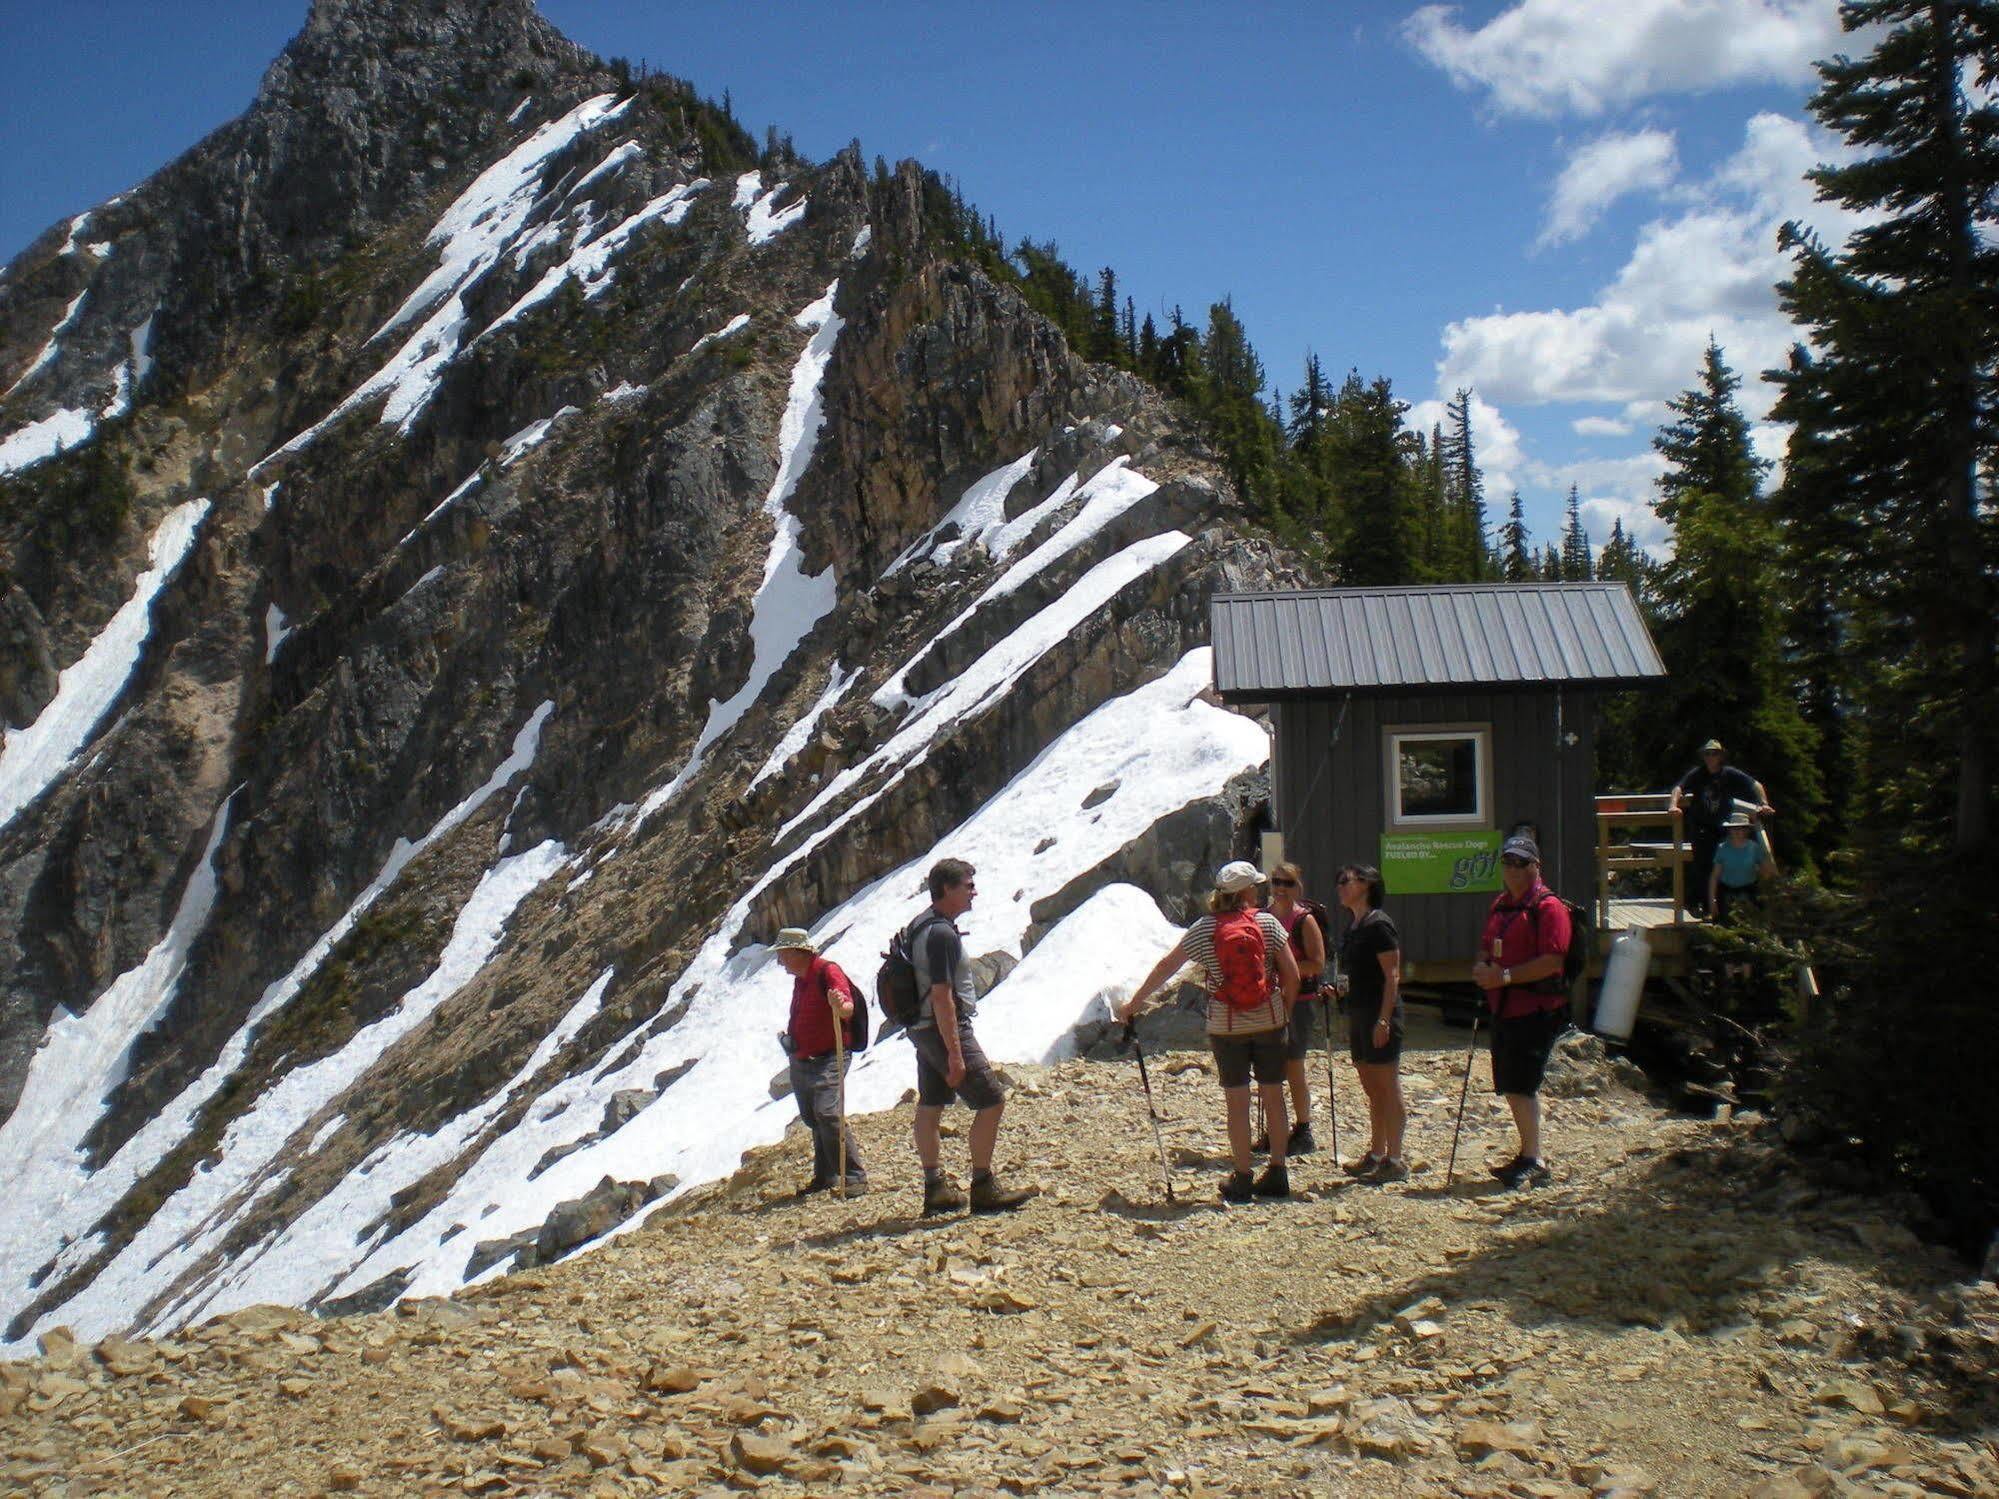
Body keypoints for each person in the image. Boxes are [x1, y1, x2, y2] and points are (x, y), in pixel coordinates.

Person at [1116, 861, 1302, 1203]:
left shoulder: (1205, 928)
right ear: (1247, 891)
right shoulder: (1267, 922)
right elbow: (1292, 975)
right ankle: (1278, 1172)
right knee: (1274, 1097)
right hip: (1270, 1021)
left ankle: (1243, 1177)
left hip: (1227, 1026)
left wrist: (1134, 1004)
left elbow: (1166, 966)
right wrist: (1283, 1013)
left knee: (1237, 1101)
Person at [903, 858, 1036, 1216]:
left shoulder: (920, 924)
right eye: (967, 886)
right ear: (947, 889)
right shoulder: (943, 933)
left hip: (920, 1028)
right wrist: (955, 1053)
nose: (973, 892)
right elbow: (943, 994)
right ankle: (983, 1186)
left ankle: (935, 1189)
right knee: (991, 1101)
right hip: (945, 1029)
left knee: (931, 1104)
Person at [1471, 835, 1572, 1189]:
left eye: (1521, 863)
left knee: (1524, 1084)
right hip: (1504, 1006)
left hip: (1535, 1007)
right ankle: (1526, 1153)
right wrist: (1483, 967)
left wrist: (1504, 976)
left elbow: (1552, 961)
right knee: (1511, 1083)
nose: (1513, 870)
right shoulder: (1501, 905)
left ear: (1535, 867)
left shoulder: (1548, 908)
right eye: (1508, 863)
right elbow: (1487, 946)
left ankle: (1535, 1158)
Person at [773, 928, 867, 1196]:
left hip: (829, 1056)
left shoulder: (827, 971)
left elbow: (846, 1006)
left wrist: (841, 1006)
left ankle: (854, 1176)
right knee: (814, 1116)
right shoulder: (802, 979)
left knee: (827, 1113)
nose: (780, 962)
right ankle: (826, 1175)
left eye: (782, 955)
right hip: (803, 1058)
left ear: (795, 951)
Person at [1331, 864, 1406, 1183]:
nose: (1342, 886)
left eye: (1347, 880)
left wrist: (1384, 1019)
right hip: (1359, 1012)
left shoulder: (1379, 925)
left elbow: (1393, 975)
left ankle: (1396, 1158)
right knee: (1372, 1088)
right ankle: (1377, 1153)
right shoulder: (1354, 926)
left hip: (1378, 1014)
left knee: (1387, 1086)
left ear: (1367, 885)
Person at [1263, 862, 1327, 1156]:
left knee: (1293, 1066)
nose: (1280, 888)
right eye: (1277, 881)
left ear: (1297, 886)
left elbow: (1317, 963)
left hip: (1299, 1003)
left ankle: (1303, 1129)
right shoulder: (1264, 917)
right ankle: (1276, 1130)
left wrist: (1283, 971)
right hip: (1268, 1000)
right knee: (1269, 1067)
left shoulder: (1305, 920)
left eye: (1287, 883)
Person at [1670, 739, 1774, 917]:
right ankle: (1703, 906)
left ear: (1721, 756)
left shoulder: (1729, 773)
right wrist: (1673, 805)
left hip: (1724, 828)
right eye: (1707, 753)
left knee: (1724, 866)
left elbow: (1755, 784)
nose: (1711, 757)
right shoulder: (1697, 774)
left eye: (1714, 753)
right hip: (1702, 827)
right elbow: (1678, 788)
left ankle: (1727, 908)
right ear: (1703, 756)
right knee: (1703, 866)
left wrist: (1763, 803)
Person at [1709, 811, 1775, 924]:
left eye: (1742, 828)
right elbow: (1715, 876)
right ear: (1730, 830)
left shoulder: (1754, 848)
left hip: (1749, 892)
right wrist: (1712, 900)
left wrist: (1767, 893)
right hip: (1727, 892)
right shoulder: (1722, 848)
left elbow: (1767, 872)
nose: (1738, 832)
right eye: (1735, 829)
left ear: (1747, 831)